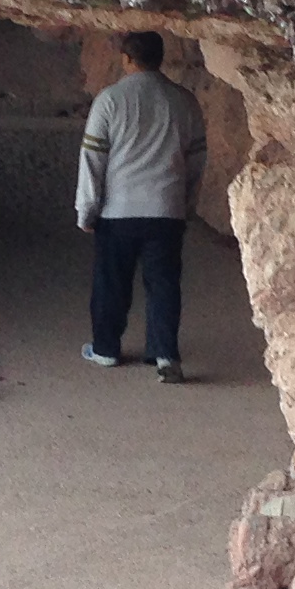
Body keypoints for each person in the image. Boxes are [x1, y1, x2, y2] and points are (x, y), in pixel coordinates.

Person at [77, 31, 209, 382]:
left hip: (117, 211)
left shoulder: (110, 100)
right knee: (164, 284)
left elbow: (93, 160)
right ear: (160, 57)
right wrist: (187, 204)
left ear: (126, 59)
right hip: (166, 209)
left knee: (111, 283)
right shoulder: (184, 101)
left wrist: (86, 209)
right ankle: (165, 355)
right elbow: (196, 162)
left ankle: (105, 348)